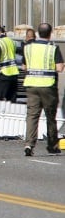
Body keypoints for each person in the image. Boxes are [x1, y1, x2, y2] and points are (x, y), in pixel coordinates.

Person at [22, 22, 63, 157]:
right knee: (50, 117)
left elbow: (24, 67)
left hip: (31, 85)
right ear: (50, 34)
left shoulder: (28, 48)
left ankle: (29, 144)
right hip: (48, 86)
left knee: (32, 115)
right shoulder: (53, 48)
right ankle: (52, 145)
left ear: (38, 33)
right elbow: (59, 68)